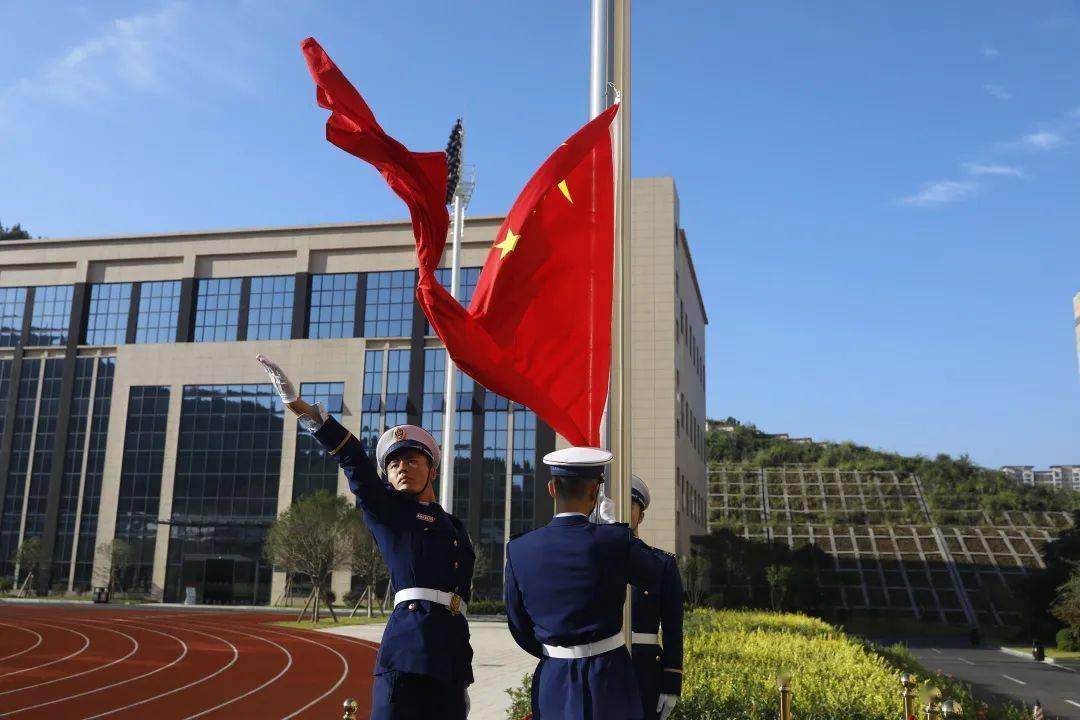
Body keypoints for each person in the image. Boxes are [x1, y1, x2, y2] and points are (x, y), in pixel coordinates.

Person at [257, 355, 475, 720]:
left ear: (432, 469)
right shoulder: (388, 512)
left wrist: (461, 677)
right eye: (393, 463)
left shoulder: (455, 527)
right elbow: (355, 460)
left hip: (451, 658)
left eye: (412, 460)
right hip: (408, 653)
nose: (402, 467)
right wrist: (303, 410)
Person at [503, 447, 666, 720]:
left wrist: (558, 650)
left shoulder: (519, 548)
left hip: (554, 677)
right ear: (595, 493)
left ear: (552, 488)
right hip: (610, 675)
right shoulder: (614, 540)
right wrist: (617, 529)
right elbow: (655, 575)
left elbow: (518, 624)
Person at [628, 475, 683, 720]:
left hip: (644, 674)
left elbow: (673, 628)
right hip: (601, 670)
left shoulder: (663, 564)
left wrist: (672, 682)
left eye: (629, 506)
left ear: (641, 515)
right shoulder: (592, 561)